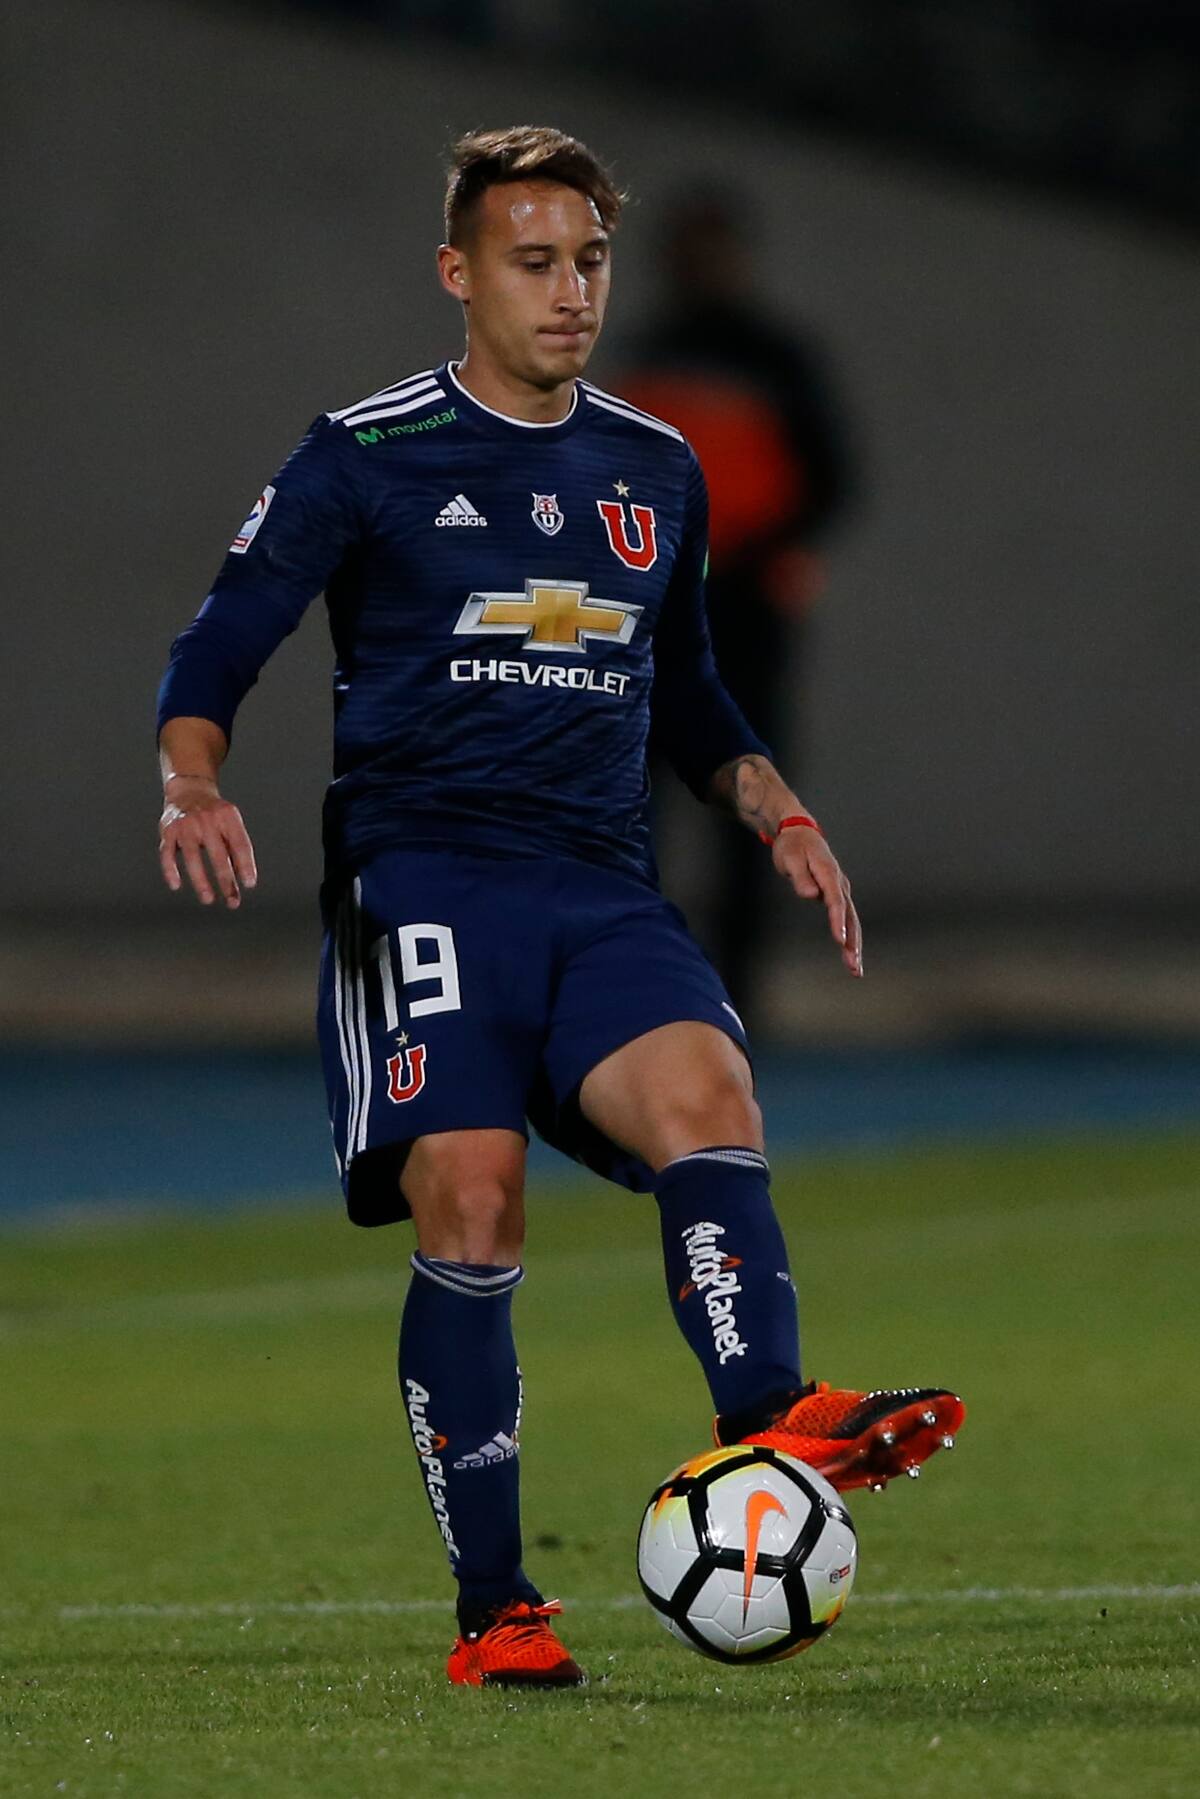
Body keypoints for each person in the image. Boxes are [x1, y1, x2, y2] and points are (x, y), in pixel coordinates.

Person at [156, 127, 963, 1691]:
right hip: (423, 882)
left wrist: (775, 806)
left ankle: (769, 1419)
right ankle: (499, 1606)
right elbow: (221, 639)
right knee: (471, 1193)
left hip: (598, 889)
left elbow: (688, 689)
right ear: (460, 274)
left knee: (709, 1095)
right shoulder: (365, 453)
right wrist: (192, 779)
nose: (570, 290)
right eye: (535, 261)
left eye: (590, 260)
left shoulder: (654, 468)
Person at [618, 188, 856, 1025]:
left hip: (746, 612)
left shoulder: (777, 357)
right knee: (626, 795)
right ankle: (636, 979)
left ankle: (739, 993)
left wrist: (746, 554)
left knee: (748, 797)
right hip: (651, 611)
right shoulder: (649, 352)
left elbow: (829, 481)